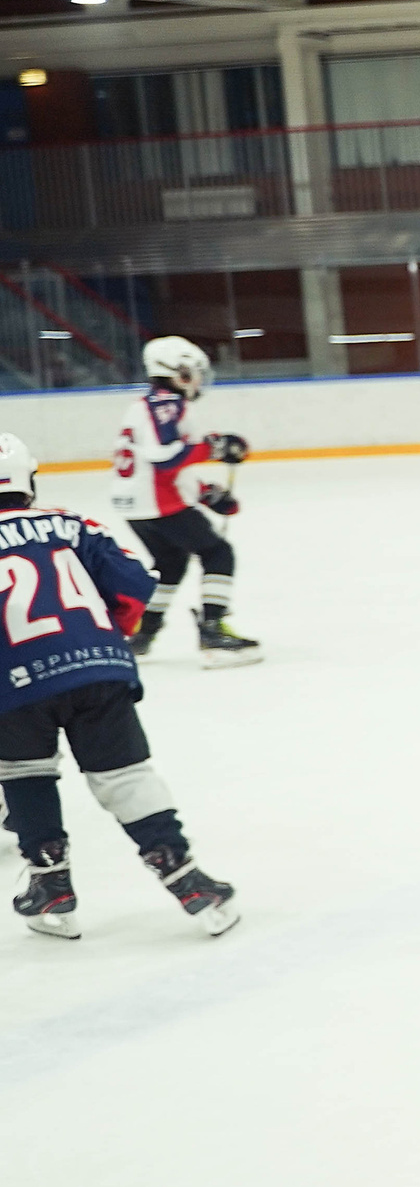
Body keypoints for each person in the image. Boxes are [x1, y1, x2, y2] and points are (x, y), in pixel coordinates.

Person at [0, 433, 240, 941]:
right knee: (126, 775)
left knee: (24, 772)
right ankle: (186, 877)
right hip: (98, 666)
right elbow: (136, 586)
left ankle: (51, 883)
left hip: (12, 680)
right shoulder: (70, 524)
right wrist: (102, 638)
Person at [109, 335, 259, 665]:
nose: (199, 379)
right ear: (178, 372)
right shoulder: (166, 404)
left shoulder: (143, 405)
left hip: (134, 505)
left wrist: (207, 494)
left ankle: (142, 635)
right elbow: (164, 458)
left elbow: (166, 467)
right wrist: (215, 447)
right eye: (194, 372)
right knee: (218, 552)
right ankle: (213, 632)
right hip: (158, 503)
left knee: (171, 565)